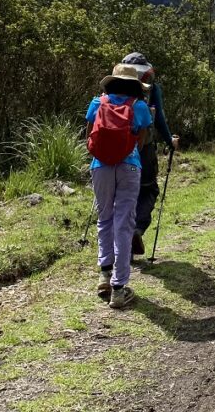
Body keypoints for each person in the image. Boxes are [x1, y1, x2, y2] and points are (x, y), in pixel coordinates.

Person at [86, 64, 153, 309]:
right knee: (124, 225)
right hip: (129, 167)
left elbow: (89, 138)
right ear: (135, 85)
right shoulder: (139, 106)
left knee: (104, 219)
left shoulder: (97, 102)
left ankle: (104, 275)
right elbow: (142, 142)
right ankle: (118, 289)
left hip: (100, 167)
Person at [120, 52, 179, 255]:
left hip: (114, 152)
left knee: (121, 194)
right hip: (143, 149)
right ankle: (137, 229)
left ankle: (118, 246)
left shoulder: (113, 87)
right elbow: (159, 118)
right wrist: (170, 141)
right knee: (148, 189)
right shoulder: (152, 88)